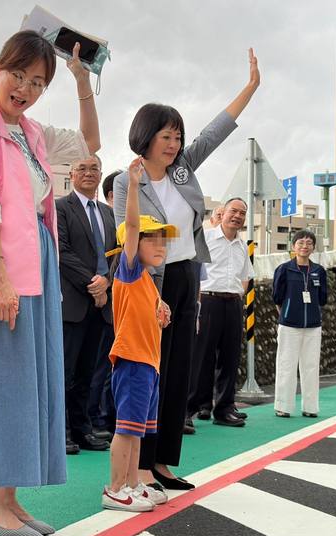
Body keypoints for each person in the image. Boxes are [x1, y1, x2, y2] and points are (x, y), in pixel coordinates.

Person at [0, 30, 100, 536]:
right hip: (2, 267)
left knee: (29, 384)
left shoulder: (31, 132)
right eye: (19, 76)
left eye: (38, 83)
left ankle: (9, 500)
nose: (25, 89)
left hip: (37, 261)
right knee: (1, 381)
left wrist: (82, 82)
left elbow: (89, 144)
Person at [112, 49, 260, 492]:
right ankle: (139, 467)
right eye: (166, 136)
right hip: (147, 283)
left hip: (185, 276)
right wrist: (147, 290)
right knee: (148, 370)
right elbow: (128, 237)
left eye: (178, 136)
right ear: (146, 136)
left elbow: (215, 132)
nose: (174, 144)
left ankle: (163, 465)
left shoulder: (182, 172)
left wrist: (250, 88)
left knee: (178, 370)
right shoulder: (127, 180)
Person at [102, 157, 173, 512]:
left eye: (164, 240)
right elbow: (130, 225)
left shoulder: (145, 278)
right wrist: (132, 186)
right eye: (153, 240)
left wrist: (161, 311)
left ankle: (130, 483)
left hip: (148, 364)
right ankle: (116, 487)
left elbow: (148, 313)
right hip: (132, 360)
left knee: (138, 431)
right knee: (127, 430)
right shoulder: (129, 271)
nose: (161, 246)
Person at [57, 154, 116, 454]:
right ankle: (63, 432)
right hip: (74, 304)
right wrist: (94, 283)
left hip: (102, 304)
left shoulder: (107, 213)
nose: (89, 173)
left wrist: (107, 282)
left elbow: (116, 252)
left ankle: (83, 430)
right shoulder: (60, 208)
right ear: (71, 173)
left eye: (94, 168)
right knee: (65, 372)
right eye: (82, 168)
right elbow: (62, 251)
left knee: (89, 372)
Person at [188, 198, 253, 427]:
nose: (237, 216)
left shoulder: (242, 245)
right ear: (222, 212)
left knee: (230, 357)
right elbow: (194, 273)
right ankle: (191, 408)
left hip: (233, 303)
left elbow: (245, 276)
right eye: (233, 211)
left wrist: (237, 297)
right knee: (201, 357)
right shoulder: (205, 238)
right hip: (208, 300)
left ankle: (224, 408)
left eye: (242, 213)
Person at [272, 230, 327, 418]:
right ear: (294, 246)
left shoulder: (319, 271)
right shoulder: (284, 269)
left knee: (311, 366)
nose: (305, 246)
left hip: (313, 325)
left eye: (309, 243)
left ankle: (310, 407)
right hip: (289, 325)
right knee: (286, 364)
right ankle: (283, 406)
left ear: (313, 247)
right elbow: (277, 297)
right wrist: (287, 313)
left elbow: (322, 298)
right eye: (301, 242)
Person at [88, 169, 123, 437]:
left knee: (112, 364)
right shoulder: (105, 216)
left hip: (119, 303)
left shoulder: (126, 222)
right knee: (96, 365)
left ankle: (107, 417)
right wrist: (102, 284)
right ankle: (95, 418)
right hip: (92, 299)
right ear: (113, 195)